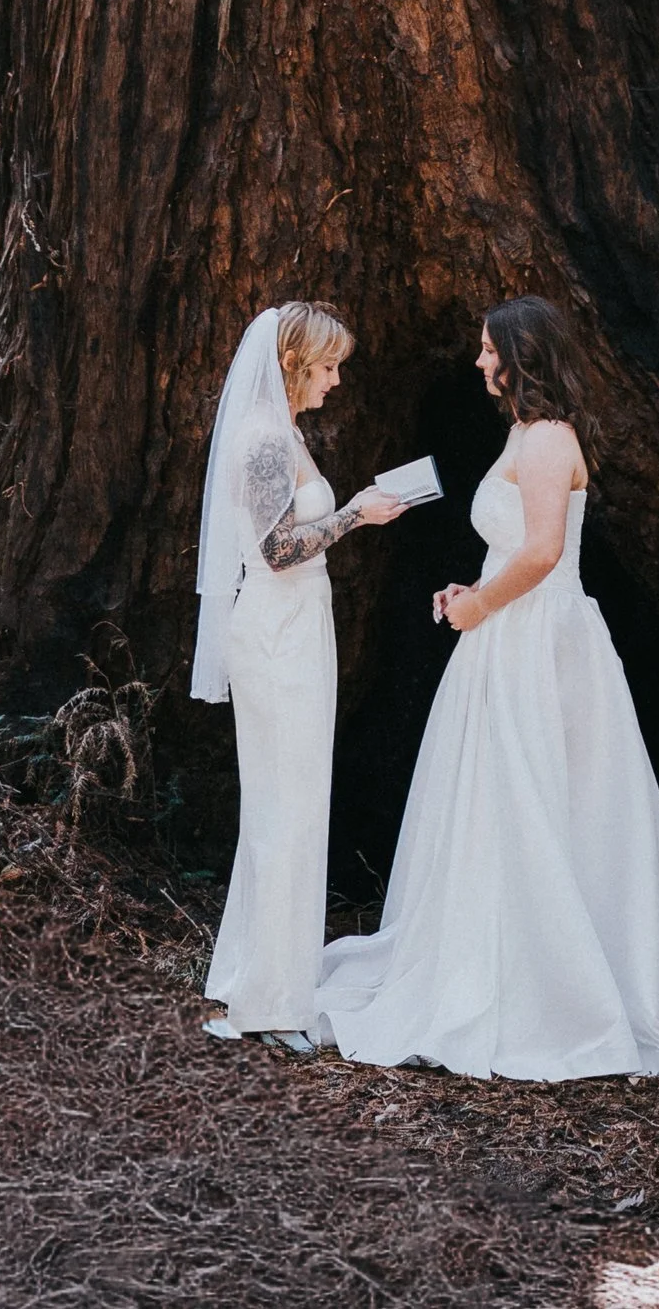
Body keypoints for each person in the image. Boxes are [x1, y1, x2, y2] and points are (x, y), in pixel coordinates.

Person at [315, 296, 659, 1081]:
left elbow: (548, 551)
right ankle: (488, 961)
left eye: (490, 350)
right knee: (496, 804)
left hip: (543, 645)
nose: (480, 362)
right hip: (503, 637)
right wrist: (469, 591)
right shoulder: (522, 433)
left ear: (524, 357)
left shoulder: (551, 439)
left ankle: (557, 993)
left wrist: (484, 605)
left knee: (550, 801)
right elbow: (512, 547)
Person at [193, 300, 405, 1048]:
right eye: (327, 367)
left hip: (299, 629)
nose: (337, 381)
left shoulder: (284, 434)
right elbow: (280, 550)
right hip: (275, 634)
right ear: (291, 365)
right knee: (285, 812)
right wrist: (356, 514)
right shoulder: (259, 441)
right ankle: (270, 1005)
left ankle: (270, 975)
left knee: (295, 805)